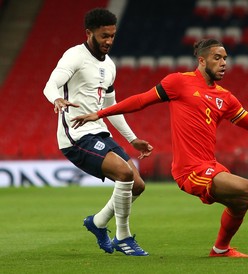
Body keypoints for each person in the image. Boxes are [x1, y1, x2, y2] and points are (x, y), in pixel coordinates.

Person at [71, 38, 248, 257]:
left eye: (226, 58)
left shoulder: (225, 98)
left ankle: (220, 250)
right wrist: (100, 113)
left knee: (239, 206)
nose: (224, 63)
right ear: (202, 60)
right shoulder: (178, 82)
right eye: (218, 58)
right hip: (189, 170)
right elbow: (141, 100)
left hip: (209, 165)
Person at [43, 8, 153, 256]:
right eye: (104, 36)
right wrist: (57, 99)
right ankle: (122, 237)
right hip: (76, 135)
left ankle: (98, 222)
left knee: (137, 185)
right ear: (89, 33)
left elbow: (111, 108)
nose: (109, 41)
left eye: (112, 36)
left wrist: (132, 139)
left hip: (100, 132)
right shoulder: (74, 56)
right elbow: (51, 83)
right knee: (125, 173)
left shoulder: (110, 66)